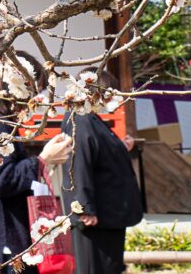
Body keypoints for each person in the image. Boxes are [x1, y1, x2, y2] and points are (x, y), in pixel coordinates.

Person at [0, 54, 74, 273]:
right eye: (32, 88)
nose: (34, 96)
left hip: (0, 243)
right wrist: (43, 159)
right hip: (4, 245)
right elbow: (0, 182)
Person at [61, 71, 143, 274]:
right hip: (95, 218)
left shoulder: (90, 118)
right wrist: (85, 208)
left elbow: (99, 151)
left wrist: (121, 147)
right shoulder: (79, 119)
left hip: (109, 214)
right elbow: (79, 164)